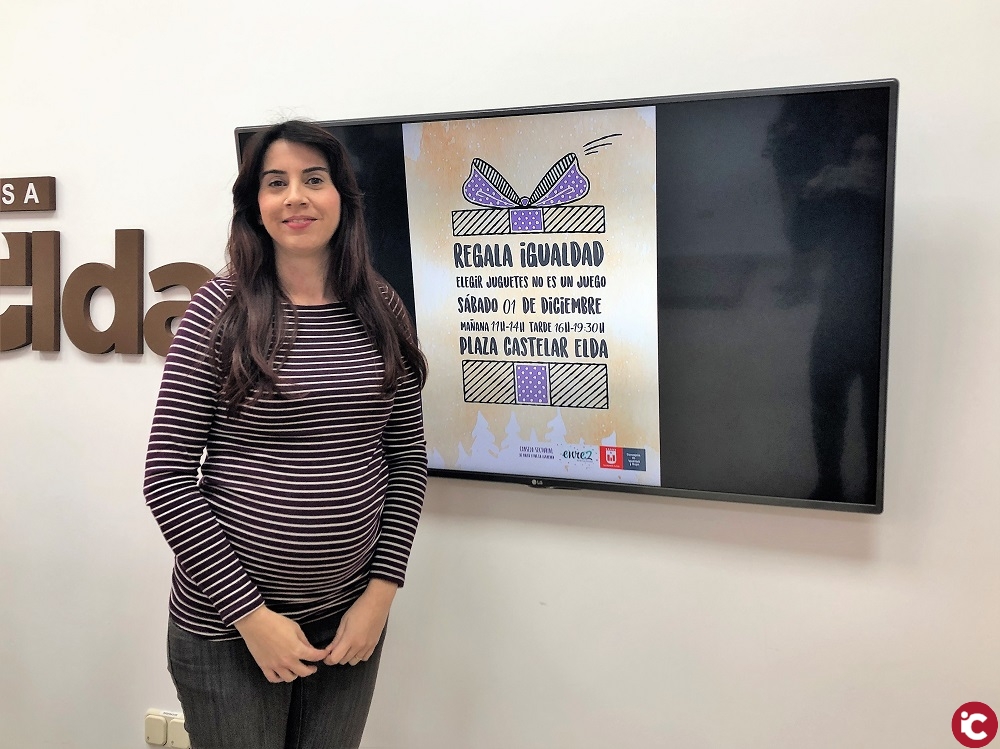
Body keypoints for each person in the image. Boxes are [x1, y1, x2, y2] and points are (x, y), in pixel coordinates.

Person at [143, 120, 428, 749]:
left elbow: (407, 460)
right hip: (229, 630)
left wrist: (380, 595)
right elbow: (166, 478)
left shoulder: (381, 306)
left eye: (313, 179)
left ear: (342, 196)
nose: (295, 197)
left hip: (348, 621)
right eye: (276, 183)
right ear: (255, 204)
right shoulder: (218, 310)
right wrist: (251, 617)